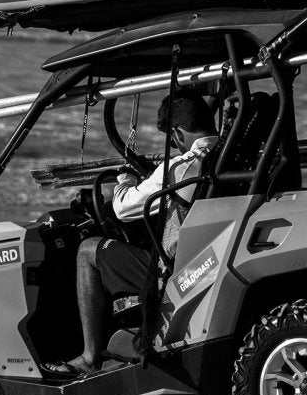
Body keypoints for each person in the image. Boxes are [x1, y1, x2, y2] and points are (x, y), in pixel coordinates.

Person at [46, 91, 218, 377]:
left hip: (176, 271)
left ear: (176, 133)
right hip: (208, 254)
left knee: (88, 250)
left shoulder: (180, 166)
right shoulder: (228, 152)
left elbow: (124, 208)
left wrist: (125, 179)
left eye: (172, 141)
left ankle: (89, 356)